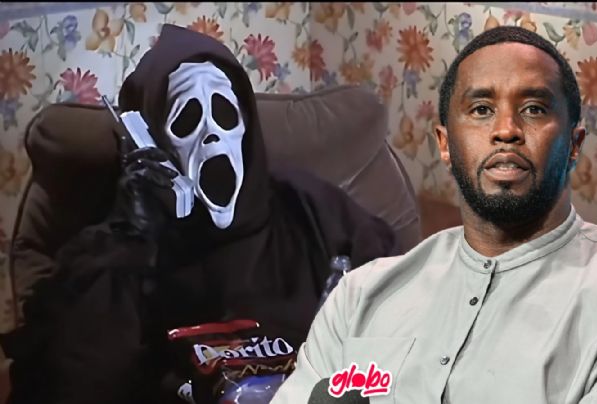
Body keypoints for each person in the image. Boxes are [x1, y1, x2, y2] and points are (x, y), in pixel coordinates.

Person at [270, 26, 597, 404]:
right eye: (481, 109)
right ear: (445, 144)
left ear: (574, 145)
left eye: (533, 109)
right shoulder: (360, 297)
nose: (506, 130)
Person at [0, 24, 399, 404]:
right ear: (153, 143)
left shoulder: (310, 210)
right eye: (187, 119)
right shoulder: (120, 253)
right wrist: (129, 241)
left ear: (247, 128)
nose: (212, 133)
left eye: (225, 113)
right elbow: (66, 385)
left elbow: (407, 314)